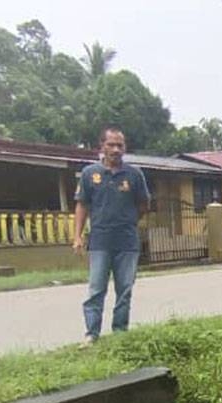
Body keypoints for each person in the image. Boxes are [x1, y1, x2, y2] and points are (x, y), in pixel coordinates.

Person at [72, 125, 151, 346]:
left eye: (120, 145)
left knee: (124, 290)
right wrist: (77, 236)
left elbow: (144, 204)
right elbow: (82, 206)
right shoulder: (90, 174)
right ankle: (91, 334)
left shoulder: (134, 175)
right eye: (111, 145)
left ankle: (120, 332)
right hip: (99, 241)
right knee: (96, 289)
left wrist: (128, 222)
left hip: (127, 242)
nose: (116, 149)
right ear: (102, 146)